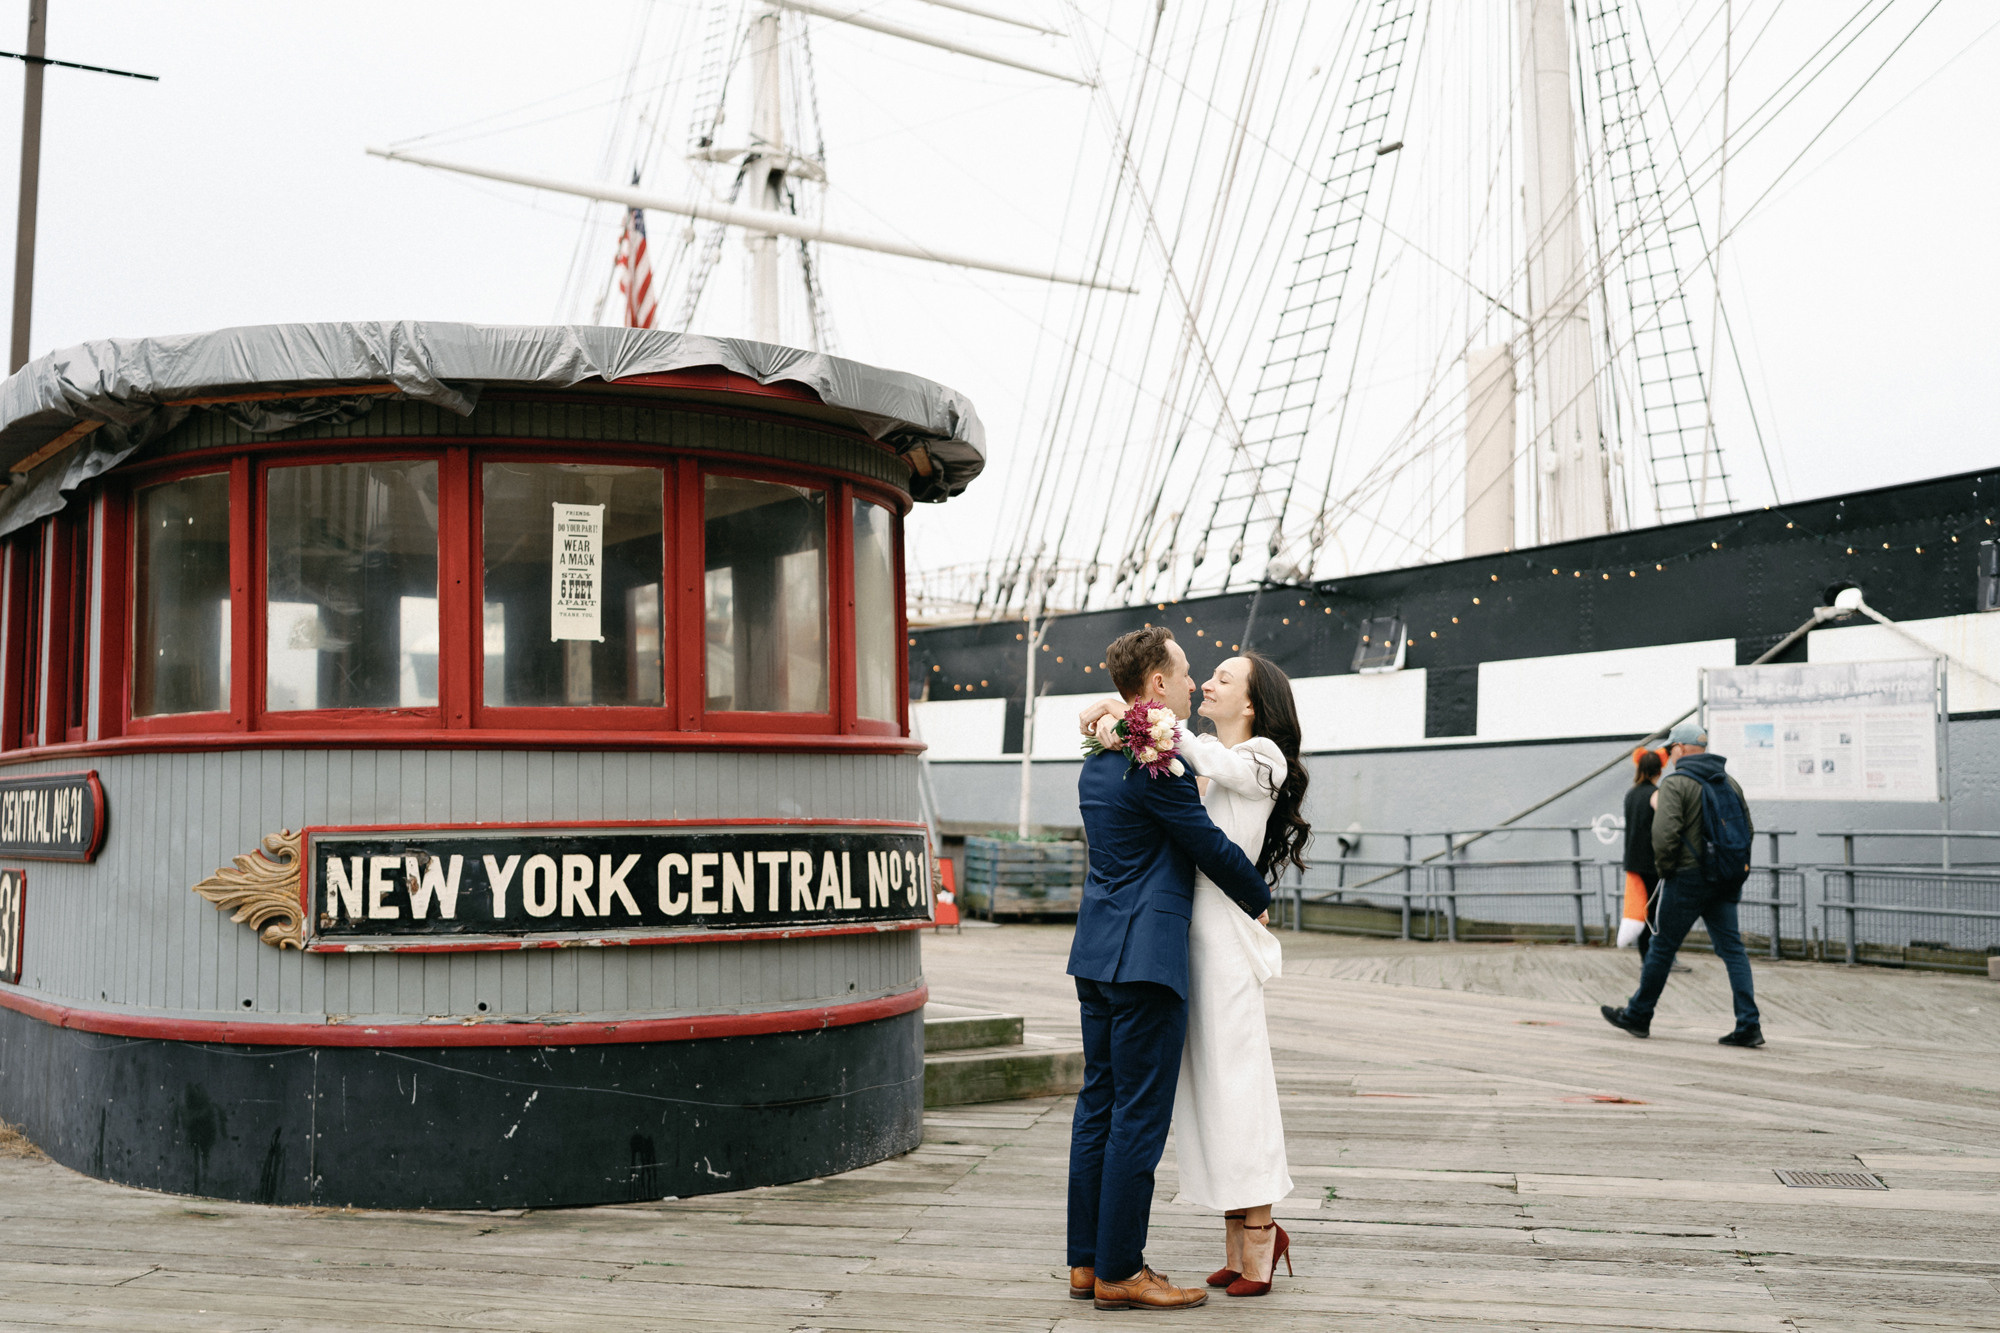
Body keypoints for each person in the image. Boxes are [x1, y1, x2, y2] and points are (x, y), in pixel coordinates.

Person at [1081, 650, 1311, 1299]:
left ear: (1253, 703)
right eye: (1206, 675)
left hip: (1226, 935)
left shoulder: (1262, 757)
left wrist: (1134, 717)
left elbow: (1207, 766)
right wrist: (1119, 721)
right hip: (1188, 933)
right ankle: (1237, 1233)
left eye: (1224, 679)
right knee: (1205, 1086)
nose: (1207, 682)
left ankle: (1260, 1232)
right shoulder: (1198, 756)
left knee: (1240, 1079)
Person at [1601, 721, 1765, 1047]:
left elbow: (1664, 835)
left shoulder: (1676, 783)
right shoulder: (1728, 781)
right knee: (1733, 950)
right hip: (1725, 879)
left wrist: (1665, 871)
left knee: (1662, 947)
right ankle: (1749, 1024)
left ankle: (1638, 1015)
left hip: (1688, 879)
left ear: (1679, 749)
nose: (1670, 755)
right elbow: (1747, 829)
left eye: (1670, 749)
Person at [1617, 749, 1663, 958]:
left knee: (1640, 909)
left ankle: (1647, 954)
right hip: (1651, 862)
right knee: (1653, 912)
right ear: (1659, 771)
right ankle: (1650, 956)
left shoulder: (1631, 793)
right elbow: (1665, 823)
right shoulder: (1656, 794)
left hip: (1632, 860)